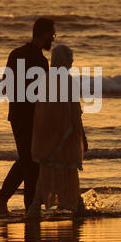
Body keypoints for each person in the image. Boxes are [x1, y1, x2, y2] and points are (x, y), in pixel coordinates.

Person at [0, 17, 56, 214]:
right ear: (44, 33)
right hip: (31, 118)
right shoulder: (40, 61)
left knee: (27, 160)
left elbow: (5, 85)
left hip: (17, 116)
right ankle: (27, 206)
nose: (52, 39)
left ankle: (6, 198)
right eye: (52, 35)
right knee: (31, 162)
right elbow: (46, 94)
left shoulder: (16, 54)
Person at [26, 45, 88, 219]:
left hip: (48, 137)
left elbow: (42, 110)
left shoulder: (46, 79)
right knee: (69, 172)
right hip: (65, 137)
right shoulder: (66, 80)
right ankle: (78, 206)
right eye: (70, 58)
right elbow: (73, 110)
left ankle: (35, 207)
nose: (72, 62)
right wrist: (80, 133)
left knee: (47, 173)